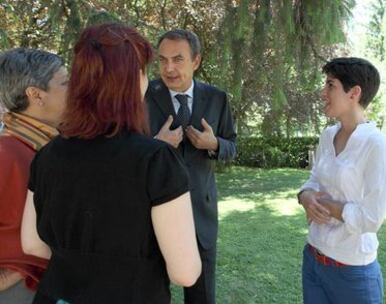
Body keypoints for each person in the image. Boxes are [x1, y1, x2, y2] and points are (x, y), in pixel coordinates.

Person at [20, 23, 201, 304]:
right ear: (133, 79)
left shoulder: (47, 154)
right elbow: (185, 272)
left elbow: (31, 243)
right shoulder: (157, 161)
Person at [146, 29, 237, 304]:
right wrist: (156, 145)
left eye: (177, 59)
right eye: (162, 60)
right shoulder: (142, 94)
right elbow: (125, 150)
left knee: (201, 296)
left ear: (196, 61)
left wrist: (215, 144)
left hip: (200, 213)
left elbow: (232, 146)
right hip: (150, 213)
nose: (168, 68)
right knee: (150, 294)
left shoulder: (218, 98)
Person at [298, 57, 386, 304]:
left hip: (354, 272)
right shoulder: (328, 135)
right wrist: (306, 197)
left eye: (330, 85)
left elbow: (372, 218)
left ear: (354, 93)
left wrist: (328, 207)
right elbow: (313, 180)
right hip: (313, 259)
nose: (323, 93)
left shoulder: (376, 144)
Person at [0, 48, 67, 303]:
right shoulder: (6, 153)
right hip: (20, 293)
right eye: (65, 83)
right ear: (36, 95)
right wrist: (11, 276)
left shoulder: (45, 148)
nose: (74, 90)